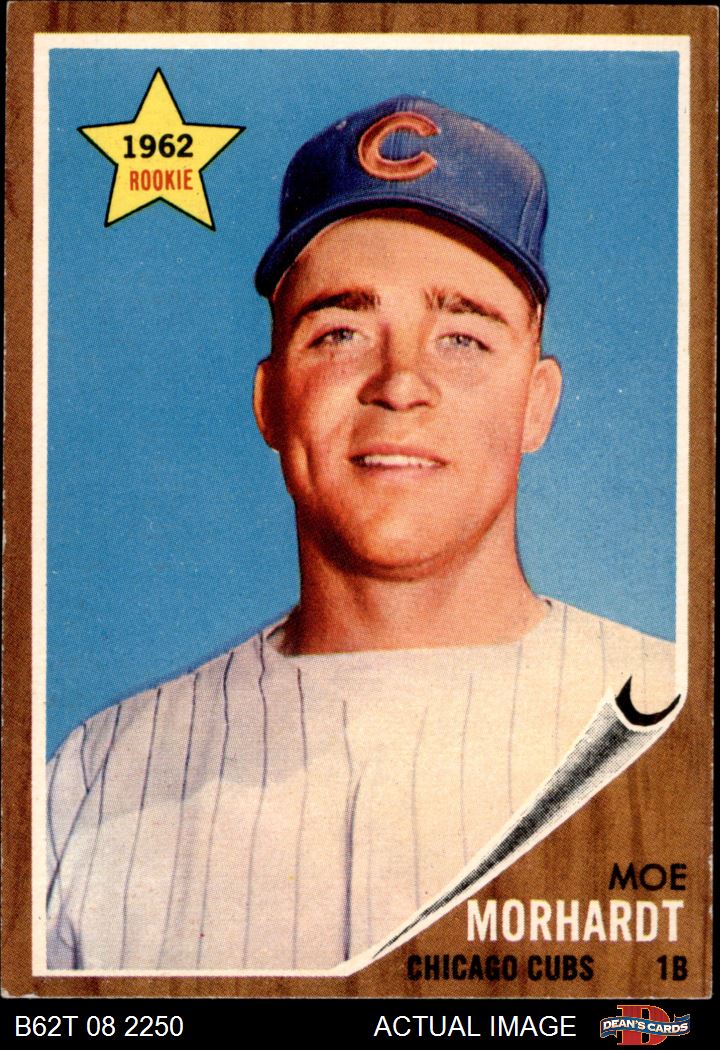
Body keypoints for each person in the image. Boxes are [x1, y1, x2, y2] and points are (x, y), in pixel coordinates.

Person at [46, 96, 680, 973]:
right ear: (271, 399)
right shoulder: (97, 775)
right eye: (340, 331)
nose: (400, 382)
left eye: (462, 337)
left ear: (537, 404)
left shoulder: (675, 721)